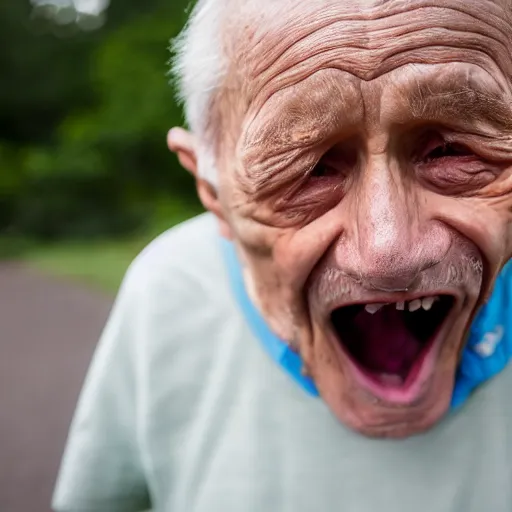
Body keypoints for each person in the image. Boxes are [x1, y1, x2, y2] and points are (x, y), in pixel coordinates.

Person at [52, 0, 512, 510]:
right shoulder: (170, 289)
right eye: (311, 167)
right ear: (212, 189)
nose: (388, 253)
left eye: (451, 150)